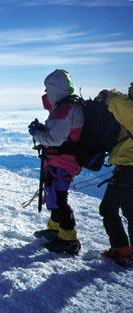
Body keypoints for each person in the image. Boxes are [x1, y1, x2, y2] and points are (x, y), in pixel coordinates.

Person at [29, 69, 84, 255]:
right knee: (54, 194)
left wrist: (37, 133)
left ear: (54, 87)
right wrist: (42, 130)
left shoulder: (64, 109)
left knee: (59, 199)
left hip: (63, 161)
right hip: (61, 160)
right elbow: (60, 134)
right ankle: (55, 229)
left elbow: (54, 139)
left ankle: (69, 239)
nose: (46, 92)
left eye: (47, 87)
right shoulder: (69, 106)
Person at [97, 83, 133, 267]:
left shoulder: (128, 108)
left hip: (128, 167)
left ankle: (121, 250)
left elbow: (121, 105)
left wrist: (108, 95)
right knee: (130, 210)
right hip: (128, 167)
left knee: (108, 208)